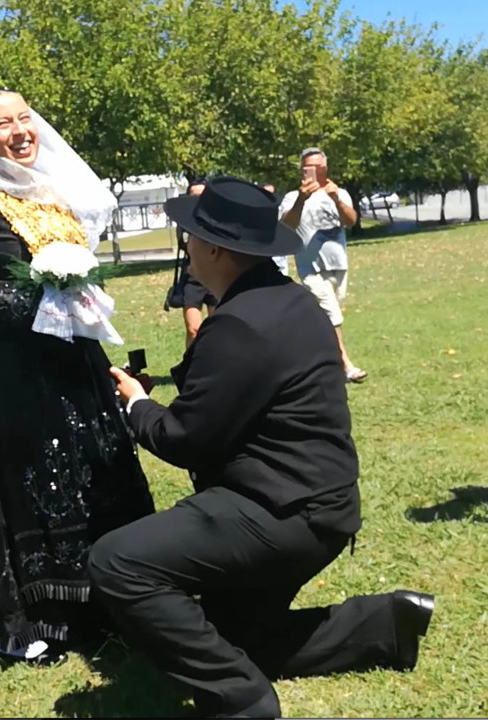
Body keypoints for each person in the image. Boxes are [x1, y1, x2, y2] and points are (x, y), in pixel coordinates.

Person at [88, 177, 434, 718]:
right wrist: (168, 391)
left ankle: (240, 700)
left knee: (117, 562)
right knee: (240, 640)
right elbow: (241, 391)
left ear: (216, 249)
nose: (188, 252)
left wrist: (135, 405)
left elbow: (185, 441)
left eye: (190, 241)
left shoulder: (239, 325)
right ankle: (386, 624)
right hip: (324, 504)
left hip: (280, 511)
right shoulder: (291, 301)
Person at [0, 88, 154, 664]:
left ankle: (104, 603)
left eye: (25, 118)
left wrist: (75, 300)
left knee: (89, 476)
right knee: (27, 487)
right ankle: (26, 620)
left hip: (72, 364)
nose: (19, 131)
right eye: (2, 124)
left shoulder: (55, 192)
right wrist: (37, 296)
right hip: (4, 373)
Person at [279, 148, 366, 383]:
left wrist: (336, 197)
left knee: (324, 320)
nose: (314, 172)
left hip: (338, 264)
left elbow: (351, 221)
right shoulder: (292, 197)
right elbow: (287, 225)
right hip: (310, 269)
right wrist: (301, 199)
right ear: (302, 170)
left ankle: (306, 361)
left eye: (318, 167)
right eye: (309, 167)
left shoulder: (339, 192)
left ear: (325, 168)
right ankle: (346, 366)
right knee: (332, 314)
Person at [176, 179, 219, 347]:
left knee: (218, 328)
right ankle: (189, 368)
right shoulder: (184, 220)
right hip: (193, 275)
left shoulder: (218, 220)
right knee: (193, 329)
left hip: (216, 274)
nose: (198, 199)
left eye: (202, 195)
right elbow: (183, 243)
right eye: (194, 195)